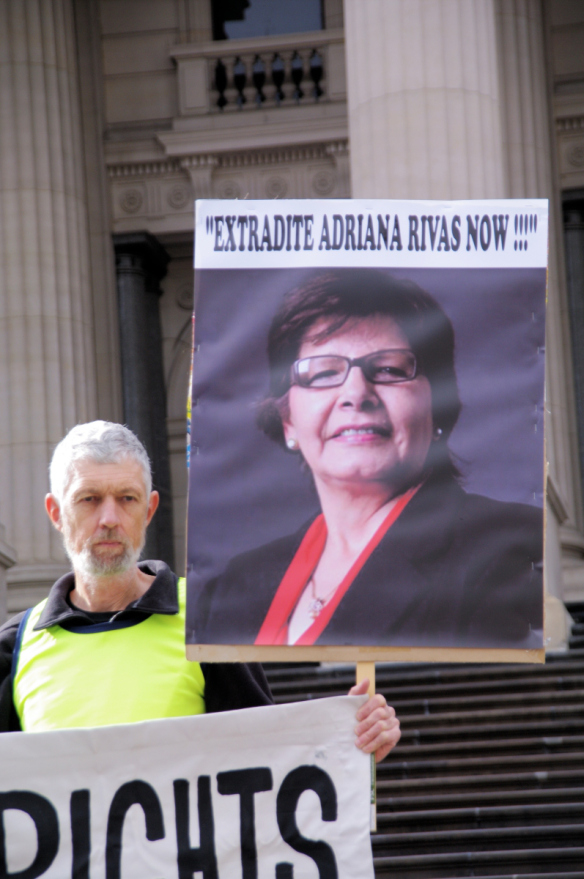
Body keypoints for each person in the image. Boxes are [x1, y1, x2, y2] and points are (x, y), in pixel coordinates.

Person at [0, 421, 400, 763]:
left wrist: (350, 741)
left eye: (127, 499)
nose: (109, 519)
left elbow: (265, 763)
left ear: (149, 510)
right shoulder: (14, 649)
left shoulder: (206, 619)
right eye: (89, 500)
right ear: (56, 512)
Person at [195, 270, 544, 649]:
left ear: (438, 407)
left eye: (390, 369)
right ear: (287, 420)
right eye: (324, 373)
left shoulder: (508, 549)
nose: (356, 394)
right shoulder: (236, 586)